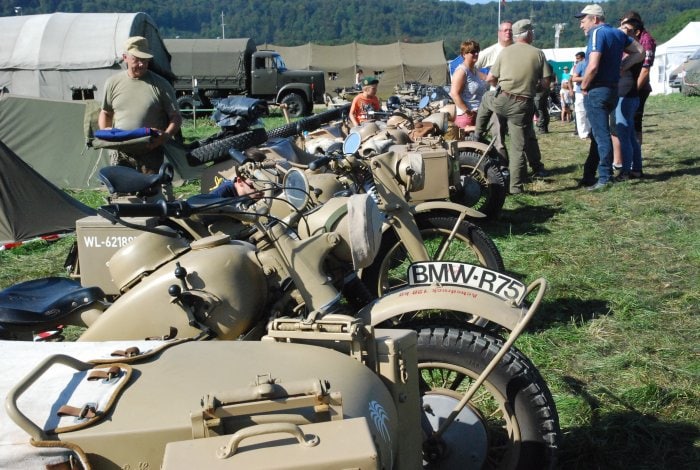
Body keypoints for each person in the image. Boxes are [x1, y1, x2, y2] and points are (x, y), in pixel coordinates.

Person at [474, 19, 552, 195]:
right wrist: (535, 87)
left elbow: (490, 79)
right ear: (529, 34)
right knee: (518, 147)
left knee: (487, 98)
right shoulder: (538, 53)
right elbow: (546, 83)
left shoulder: (504, 53)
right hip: (523, 105)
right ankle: (516, 187)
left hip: (503, 99)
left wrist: (501, 84)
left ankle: (477, 134)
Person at [576, 4, 643, 191]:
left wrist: (584, 85)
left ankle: (604, 177)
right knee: (599, 134)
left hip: (598, 90)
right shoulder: (618, 33)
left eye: (583, 21)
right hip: (613, 90)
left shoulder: (597, 33)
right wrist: (621, 67)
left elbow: (593, 65)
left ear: (595, 19)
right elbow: (640, 52)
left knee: (601, 135)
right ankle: (589, 175)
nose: (582, 25)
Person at [99, 36, 181, 175]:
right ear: (125, 58)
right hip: (120, 152)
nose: (141, 64)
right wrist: (106, 132)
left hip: (150, 152)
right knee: (122, 193)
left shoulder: (160, 85)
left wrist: (165, 136)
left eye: (145, 60)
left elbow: (175, 117)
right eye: (136, 60)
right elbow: (105, 112)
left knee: (149, 192)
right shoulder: (113, 83)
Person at [474, 21, 513, 163]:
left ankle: (529, 168)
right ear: (499, 33)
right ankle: (503, 166)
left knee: (522, 136)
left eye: (510, 30)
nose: (508, 32)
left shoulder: (517, 49)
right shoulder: (490, 52)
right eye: (505, 30)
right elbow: (471, 66)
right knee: (498, 135)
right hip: (497, 98)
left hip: (517, 97)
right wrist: (486, 79)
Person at [620, 11, 656, 166]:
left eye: (626, 25)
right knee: (630, 123)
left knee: (634, 123)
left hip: (637, 87)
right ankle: (633, 158)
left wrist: (634, 90)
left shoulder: (646, 40)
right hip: (630, 87)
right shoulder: (631, 39)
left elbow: (645, 69)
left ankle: (636, 159)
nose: (623, 29)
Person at [613, 21, 644, 180]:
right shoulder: (633, 50)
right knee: (630, 135)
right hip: (629, 95)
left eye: (627, 29)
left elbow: (619, 68)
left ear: (635, 32)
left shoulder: (636, 51)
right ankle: (636, 169)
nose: (623, 31)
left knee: (624, 135)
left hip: (625, 95)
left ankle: (625, 172)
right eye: (622, 27)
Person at [449, 40, 487, 130]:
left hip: (477, 115)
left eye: (477, 51)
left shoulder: (474, 70)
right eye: (473, 52)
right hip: (466, 118)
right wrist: (467, 111)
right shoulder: (461, 71)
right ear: (464, 54)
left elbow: (488, 78)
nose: (476, 54)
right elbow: (454, 93)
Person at [570, 51, 591, 139]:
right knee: (581, 113)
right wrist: (588, 77)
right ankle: (583, 133)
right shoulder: (580, 65)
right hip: (580, 92)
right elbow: (573, 78)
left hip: (590, 91)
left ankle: (589, 132)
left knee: (588, 113)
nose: (576, 60)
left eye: (578, 58)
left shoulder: (589, 63)